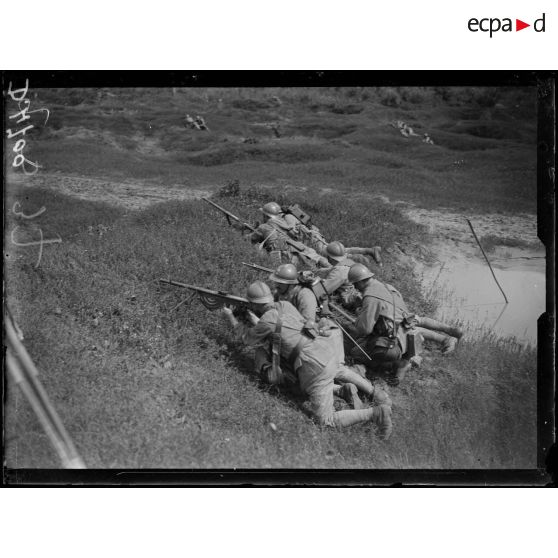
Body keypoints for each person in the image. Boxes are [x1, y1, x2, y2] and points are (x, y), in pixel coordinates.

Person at [221, 281, 393, 438]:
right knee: (338, 370)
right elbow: (281, 326)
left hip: (312, 364)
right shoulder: (285, 305)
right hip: (323, 348)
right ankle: (374, 393)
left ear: (253, 304)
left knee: (326, 420)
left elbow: (247, 338)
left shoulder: (267, 320)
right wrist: (253, 316)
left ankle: (375, 413)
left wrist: (230, 316)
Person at [268, 264, 391, 409]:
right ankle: (349, 393)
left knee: (335, 369)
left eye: (280, 283)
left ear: (289, 284)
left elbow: (308, 325)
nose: (276, 285)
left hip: (327, 333)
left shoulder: (304, 295)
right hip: (316, 335)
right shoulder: (284, 294)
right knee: (328, 372)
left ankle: (372, 393)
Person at [347, 263, 462, 384]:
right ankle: (407, 359)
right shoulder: (388, 286)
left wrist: (359, 313)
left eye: (355, 284)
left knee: (355, 353)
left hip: (393, 344)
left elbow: (364, 329)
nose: (355, 288)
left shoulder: (370, 296)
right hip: (408, 333)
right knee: (416, 323)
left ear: (360, 282)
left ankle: (398, 365)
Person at [248, 202, 327, 267]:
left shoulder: (263, 227)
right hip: (297, 246)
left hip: (284, 254)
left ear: (265, 215)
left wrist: (249, 230)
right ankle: (330, 266)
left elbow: (250, 239)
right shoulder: (283, 222)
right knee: (314, 256)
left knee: (308, 264)